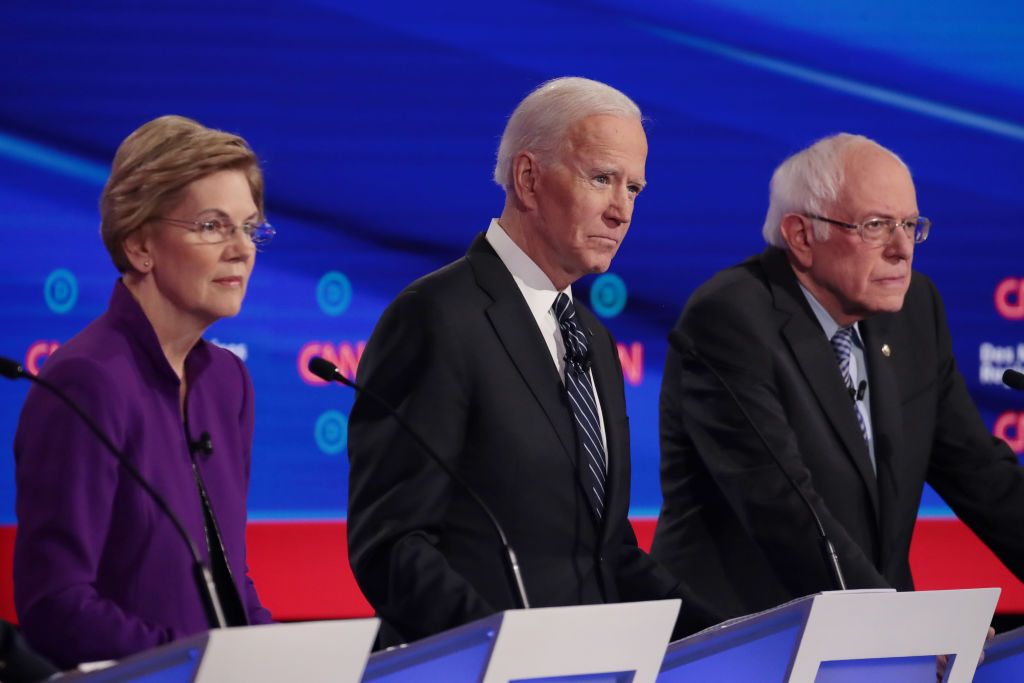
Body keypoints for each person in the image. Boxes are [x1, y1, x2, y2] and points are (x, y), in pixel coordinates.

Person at [347, 76, 717, 647]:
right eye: (602, 179)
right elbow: (392, 546)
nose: (621, 211)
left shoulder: (592, 337)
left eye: (635, 189)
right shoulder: (437, 316)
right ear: (528, 178)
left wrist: (728, 638)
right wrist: (499, 653)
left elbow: (607, 551)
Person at [651, 133, 1024, 620]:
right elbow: (786, 510)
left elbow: (981, 475)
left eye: (910, 225)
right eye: (875, 226)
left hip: (866, 639)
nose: (901, 249)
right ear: (802, 236)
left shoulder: (913, 312)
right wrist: (898, 628)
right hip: (746, 639)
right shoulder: (731, 319)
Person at [14, 115, 274, 668]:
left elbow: (227, 577)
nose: (241, 249)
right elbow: (55, 605)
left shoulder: (229, 385)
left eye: (249, 228)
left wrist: (282, 658)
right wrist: (194, 663)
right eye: (212, 225)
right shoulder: (85, 382)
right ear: (139, 245)